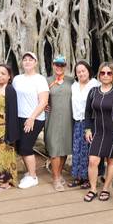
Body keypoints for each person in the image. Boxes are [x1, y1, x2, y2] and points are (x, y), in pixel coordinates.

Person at [84, 62, 113, 202]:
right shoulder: (93, 92)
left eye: (109, 73)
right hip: (97, 131)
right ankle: (93, 189)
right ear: (99, 75)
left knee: (111, 160)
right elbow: (88, 112)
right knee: (93, 160)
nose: (105, 75)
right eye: (103, 73)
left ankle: (106, 188)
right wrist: (87, 128)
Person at [12, 51, 49, 189]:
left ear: (35, 63)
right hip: (19, 118)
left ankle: (33, 177)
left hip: (35, 118)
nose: (27, 62)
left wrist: (32, 118)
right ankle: (29, 172)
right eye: (25, 59)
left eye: (30, 59)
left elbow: (44, 101)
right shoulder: (17, 79)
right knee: (20, 147)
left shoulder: (40, 79)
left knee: (26, 147)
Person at [45, 55, 74, 191]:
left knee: (64, 148)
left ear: (65, 66)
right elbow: (40, 97)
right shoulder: (47, 81)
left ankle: (59, 173)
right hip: (53, 119)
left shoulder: (72, 81)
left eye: (61, 65)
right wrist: (44, 105)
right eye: (56, 64)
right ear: (53, 65)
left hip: (68, 119)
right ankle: (56, 179)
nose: (59, 67)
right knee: (55, 148)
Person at [69, 60, 98, 188]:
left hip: (91, 123)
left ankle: (88, 178)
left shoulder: (95, 85)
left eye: (83, 71)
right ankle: (78, 176)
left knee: (87, 151)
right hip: (77, 122)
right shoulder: (74, 86)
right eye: (78, 71)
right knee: (77, 149)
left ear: (88, 71)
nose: (81, 73)